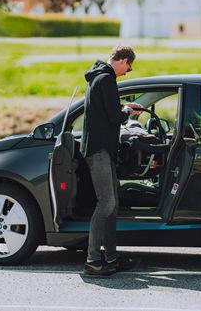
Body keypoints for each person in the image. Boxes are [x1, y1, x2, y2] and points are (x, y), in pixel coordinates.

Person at [80, 44, 142, 277]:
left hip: (100, 150)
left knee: (112, 205)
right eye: (129, 67)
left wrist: (123, 108)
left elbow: (106, 112)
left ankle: (112, 258)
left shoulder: (97, 77)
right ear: (123, 60)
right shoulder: (106, 79)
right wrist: (127, 111)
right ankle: (93, 261)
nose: (127, 72)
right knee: (106, 203)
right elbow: (115, 117)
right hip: (99, 151)